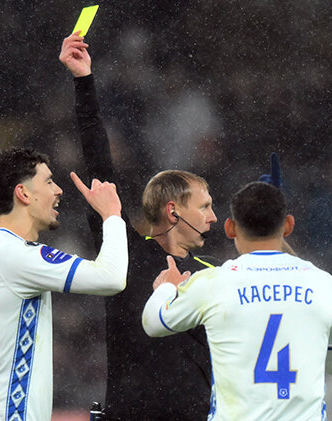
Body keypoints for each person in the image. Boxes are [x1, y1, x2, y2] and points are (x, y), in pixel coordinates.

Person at [60, 33, 219, 419]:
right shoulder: (124, 255)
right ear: (173, 211)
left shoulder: (215, 275)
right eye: (205, 206)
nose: (214, 217)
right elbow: (99, 166)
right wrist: (83, 82)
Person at [0, 147, 129, 421]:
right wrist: (112, 214)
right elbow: (111, 277)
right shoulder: (15, 254)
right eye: (48, 181)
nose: (58, 190)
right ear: (23, 193)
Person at [142, 181, 332, 420]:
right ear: (288, 225)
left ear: (230, 228)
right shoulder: (324, 284)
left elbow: (153, 323)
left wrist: (166, 288)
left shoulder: (212, 283)